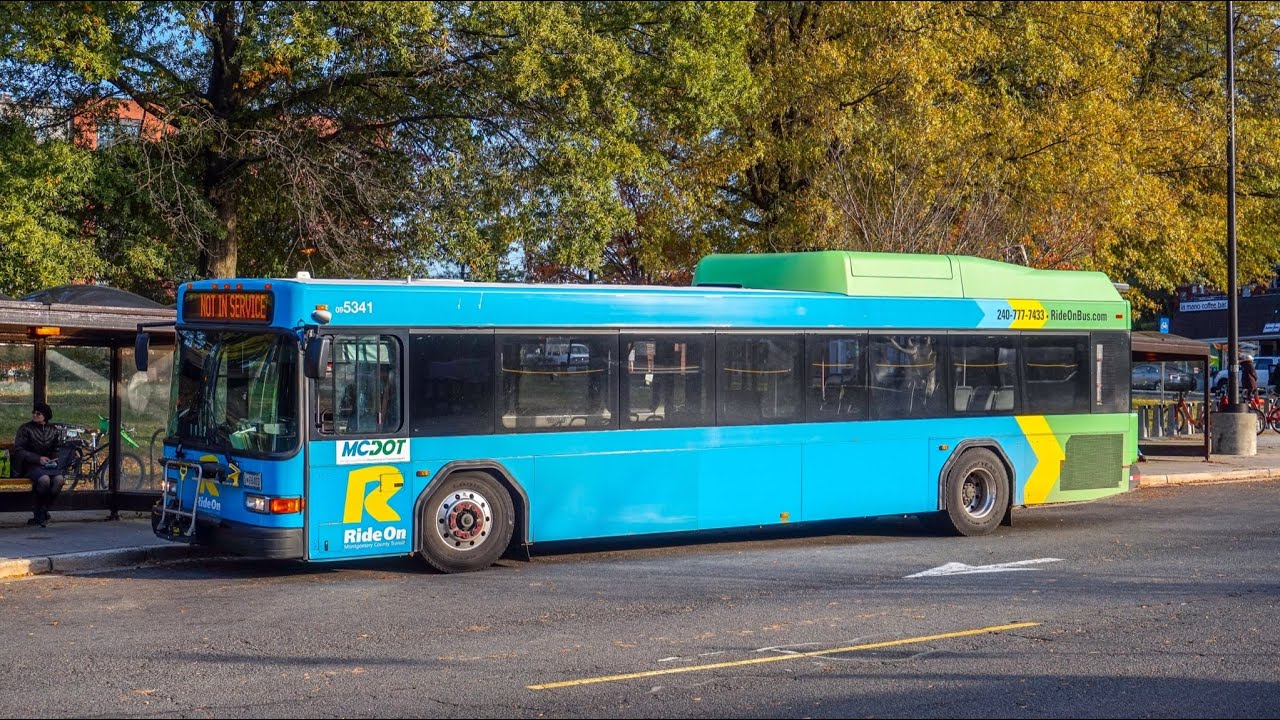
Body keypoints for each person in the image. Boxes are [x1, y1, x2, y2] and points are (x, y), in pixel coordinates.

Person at [13, 402, 67, 527]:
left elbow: (56, 448)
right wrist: (38, 459)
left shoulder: (53, 430)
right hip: (30, 464)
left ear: (46, 416)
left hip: (48, 465)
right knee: (44, 480)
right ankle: (40, 513)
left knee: (59, 480)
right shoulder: (25, 428)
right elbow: (19, 450)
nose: (35, 415)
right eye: (34, 412)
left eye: (38, 413)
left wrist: (55, 459)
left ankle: (42, 510)